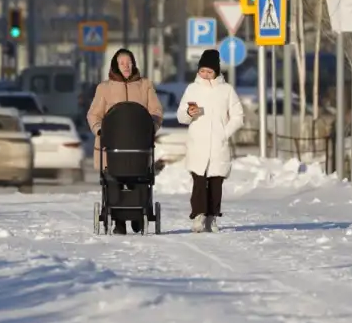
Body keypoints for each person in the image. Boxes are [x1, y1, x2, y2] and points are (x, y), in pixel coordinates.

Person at [86, 48, 163, 234]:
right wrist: (98, 129)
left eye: (129, 62)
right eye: (122, 63)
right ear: (115, 65)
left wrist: (151, 126)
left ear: (134, 63)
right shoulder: (104, 88)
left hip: (139, 145)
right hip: (113, 145)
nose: (126, 66)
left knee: (138, 178)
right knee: (114, 179)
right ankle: (119, 221)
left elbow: (156, 111)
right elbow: (94, 114)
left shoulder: (145, 85)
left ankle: (138, 215)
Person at [177, 49, 244, 232]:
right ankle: (198, 216)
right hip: (198, 144)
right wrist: (188, 114)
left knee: (216, 183)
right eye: (202, 71)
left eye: (209, 71)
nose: (205, 75)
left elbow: (238, 117)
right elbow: (181, 115)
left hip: (218, 145)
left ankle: (212, 217)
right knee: (199, 182)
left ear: (216, 71)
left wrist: (224, 133)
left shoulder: (227, 90)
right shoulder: (192, 89)